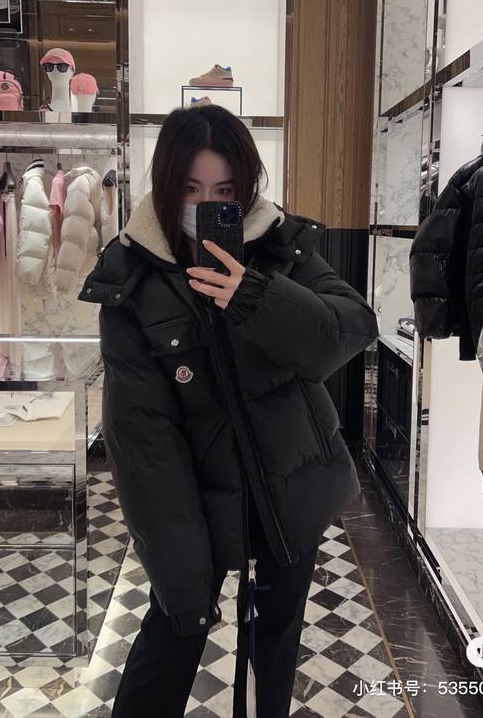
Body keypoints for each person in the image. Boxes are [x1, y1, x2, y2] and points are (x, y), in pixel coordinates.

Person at [79, 104, 379, 718]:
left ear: (244, 189)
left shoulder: (280, 247)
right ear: (167, 185)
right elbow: (143, 441)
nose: (206, 205)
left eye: (224, 191)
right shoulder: (132, 279)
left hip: (287, 490)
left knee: (277, 648)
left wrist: (256, 297)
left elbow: (349, 330)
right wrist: (182, 575)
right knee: (169, 644)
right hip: (196, 504)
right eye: (191, 189)